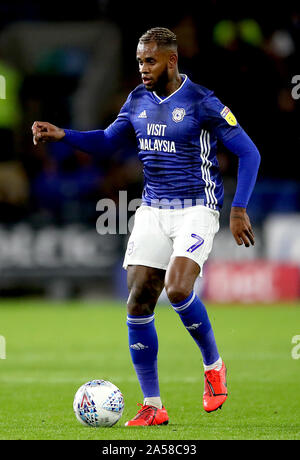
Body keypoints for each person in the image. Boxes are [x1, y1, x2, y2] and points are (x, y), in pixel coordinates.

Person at [32, 27, 261, 427]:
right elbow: (107, 141)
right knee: (138, 301)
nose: (142, 68)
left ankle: (213, 366)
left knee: (177, 289)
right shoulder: (137, 100)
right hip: (153, 208)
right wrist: (63, 135)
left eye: (150, 60)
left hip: (196, 207)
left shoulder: (202, 102)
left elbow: (249, 152)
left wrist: (238, 208)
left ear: (171, 60)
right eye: (139, 60)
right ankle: (153, 405)